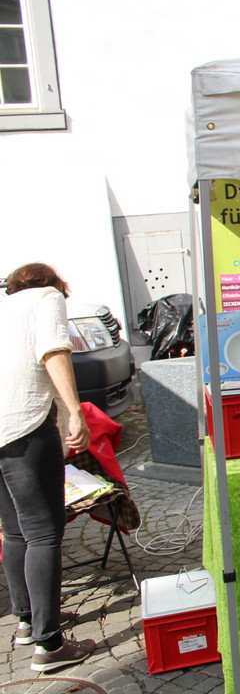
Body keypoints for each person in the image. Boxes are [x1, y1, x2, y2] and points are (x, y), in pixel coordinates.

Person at [0, 263, 97, 672]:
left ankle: (28, 621)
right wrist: (75, 412)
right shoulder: (47, 298)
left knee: (16, 531)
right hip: (25, 425)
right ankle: (50, 643)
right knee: (44, 532)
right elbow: (53, 352)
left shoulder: (5, 307)